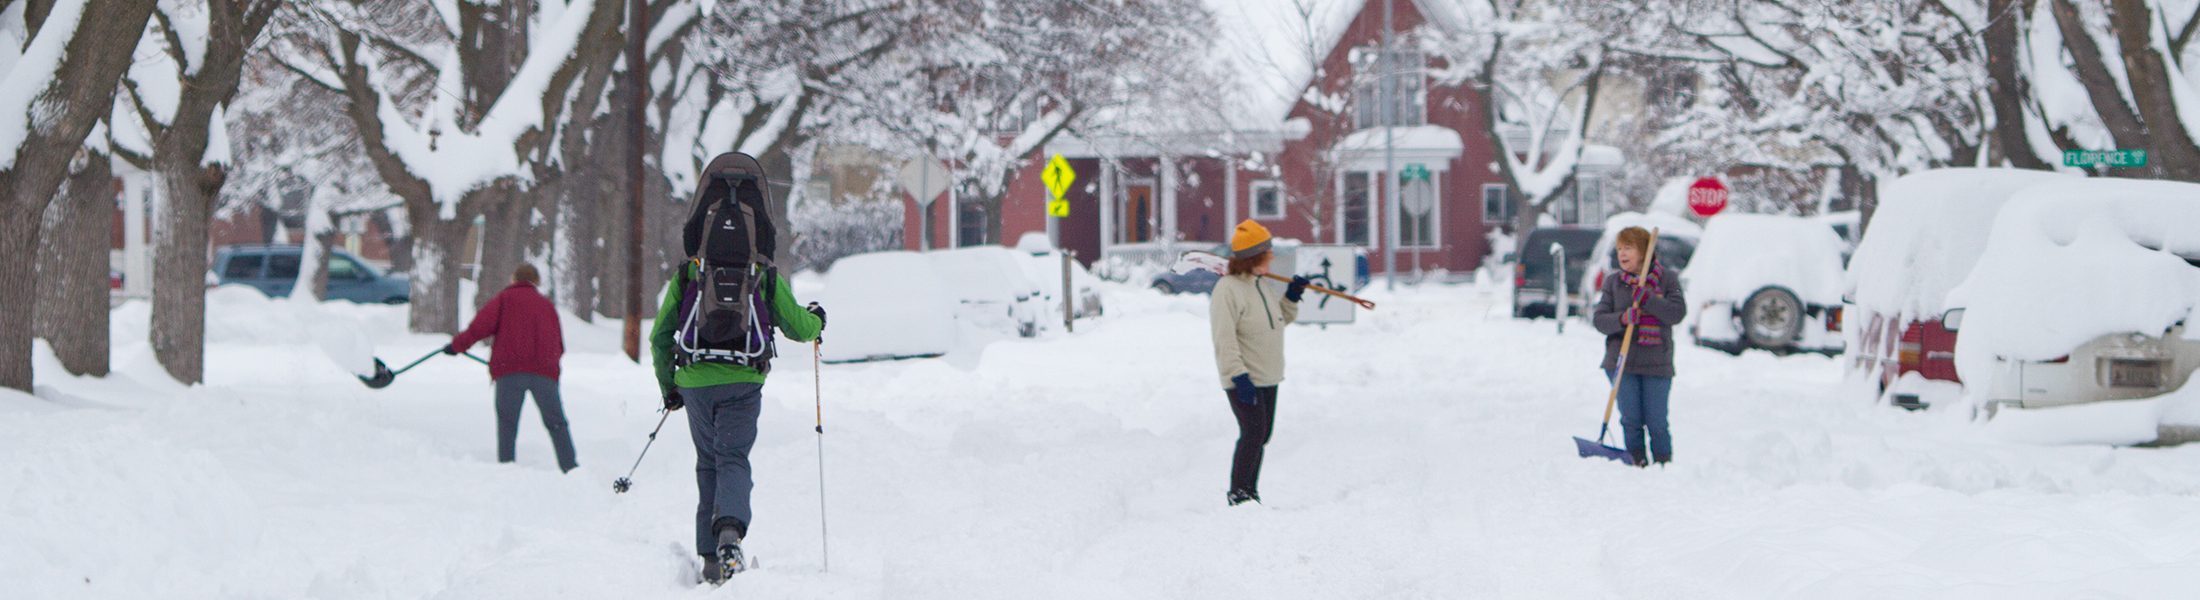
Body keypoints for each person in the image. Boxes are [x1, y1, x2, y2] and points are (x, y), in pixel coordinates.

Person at [652, 154, 825, 583]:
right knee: (732, 458)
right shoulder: (761, 274)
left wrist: (670, 387)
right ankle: (729, 535)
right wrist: (818, 320)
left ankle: (710, 558)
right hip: (743, 380)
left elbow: (660, 336)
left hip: (695, 379)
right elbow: (798, 327)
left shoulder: (690, 274)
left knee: (707, 462)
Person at [1209, 220, 1310, 506]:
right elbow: (1224, 338)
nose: (1272, 257)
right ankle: (1239, 494)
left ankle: (1250, 492)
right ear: (1254, 257)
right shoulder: (1228, 290)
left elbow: (1277, 321)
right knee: (1252, 434)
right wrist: (1237, 375)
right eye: (1267, 252)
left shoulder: (1260, 284)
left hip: (1268, 376)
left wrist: (1292, 296)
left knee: (1262, 436)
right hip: (1245, 377)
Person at [448, 264, 576, 473]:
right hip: (544, 374)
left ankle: (507, 468)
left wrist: (456, 346)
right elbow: (558, 344)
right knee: (556, 423)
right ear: (536, 281)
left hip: (509, 372)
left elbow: (479, 327)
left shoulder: (504, 299)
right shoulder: (546, 306)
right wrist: (548, 365)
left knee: (507, 424)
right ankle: (570, 468)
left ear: (514, 279)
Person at [1590, 227, 1687, 467]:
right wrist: (1622, 318)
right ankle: (1636, 462)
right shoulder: (1613, 282)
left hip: (1657, 363)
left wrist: (1649, 300)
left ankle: (1663, 464)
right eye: (1619, 249)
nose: (1622, 254)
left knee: (1656, 421)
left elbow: (1676, 313)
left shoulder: (1668, 279)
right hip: (1621, 362)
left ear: (1644, 251)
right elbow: (1599, 320)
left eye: (1628, 248)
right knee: (1631, 419)